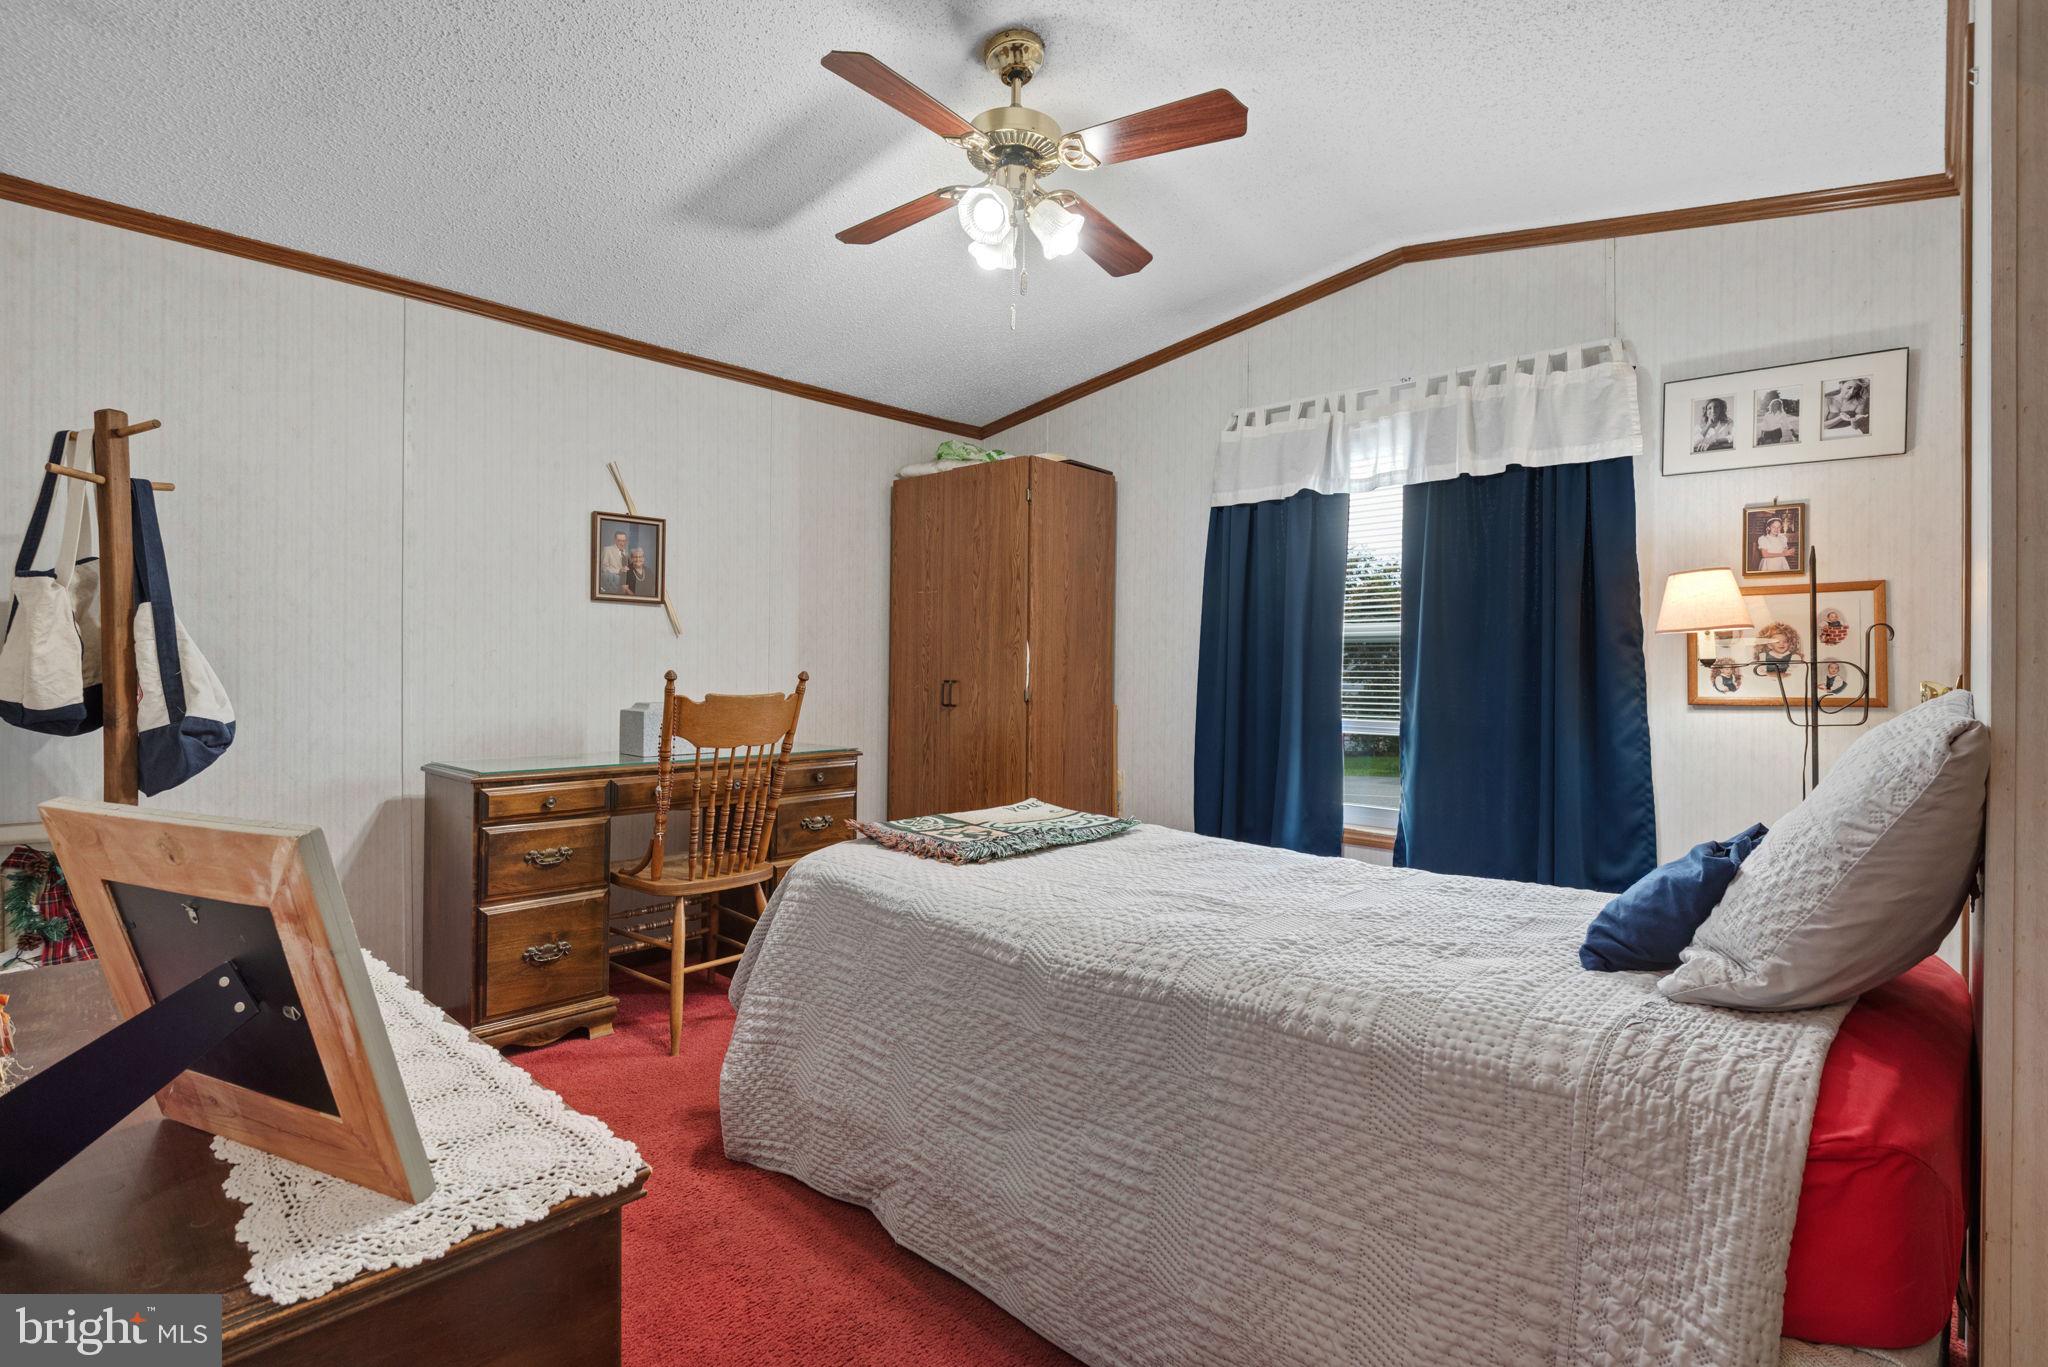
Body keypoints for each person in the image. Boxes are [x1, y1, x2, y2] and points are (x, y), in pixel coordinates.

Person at [600, 529, 629, 594]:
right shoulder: (607, 550)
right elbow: (603, 568)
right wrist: (619, 570)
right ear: (615, 540)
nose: (622, 543)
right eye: (619, 541)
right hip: (613, 583)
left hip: (624, 583)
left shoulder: (626, 553)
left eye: (624, 541)